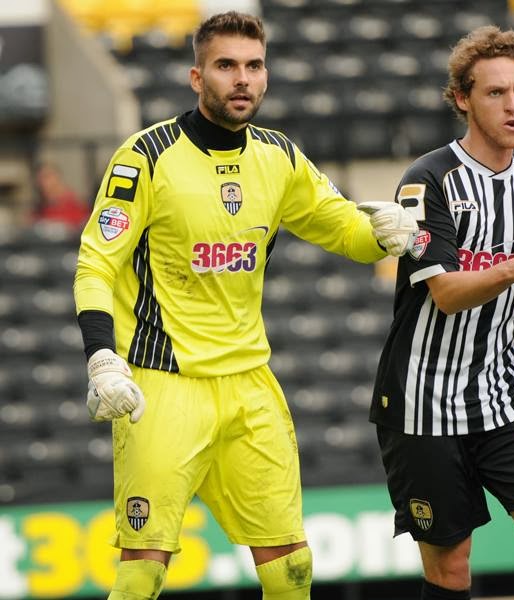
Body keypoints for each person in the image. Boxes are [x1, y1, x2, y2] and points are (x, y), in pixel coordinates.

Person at [73, 11, 417, 600]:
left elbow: (347, 232)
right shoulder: (145, 157)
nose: (242, 79)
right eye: (226, 65)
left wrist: (386, 234)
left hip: (250, 385)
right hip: (163, 386)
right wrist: (102, 357)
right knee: (142, 570)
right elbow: (94, 265)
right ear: (196, 76)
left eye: (254, 66)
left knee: (292, 567)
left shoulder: (279, 157)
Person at [369, 26, 514, 600]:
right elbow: (444, 293)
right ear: (463, 99)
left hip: (503, 394)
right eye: (496, 93)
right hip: (424, 403)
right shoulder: (427, 180)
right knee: (450, 570)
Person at [32, 162, 90, 233]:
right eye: (39, 179)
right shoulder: (38, 211)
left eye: (46, 177)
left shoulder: (77, 207)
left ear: (57, 178)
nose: (42, 183)